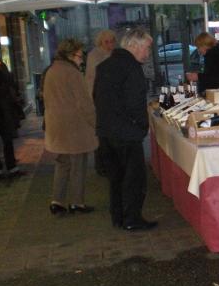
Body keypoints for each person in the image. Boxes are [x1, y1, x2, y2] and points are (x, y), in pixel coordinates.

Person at [94, 27, 156, 231]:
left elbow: (97, 98)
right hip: (127, 133)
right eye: (146, 48)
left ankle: (118, 216)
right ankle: (132, 219)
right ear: (134, 46)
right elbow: (135, 103)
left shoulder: (104, 66)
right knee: (133, 178)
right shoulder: (132, 68)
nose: (148, 53)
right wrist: (141, 126)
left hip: (106, 131)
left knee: (116, 178)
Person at [43, 39, 97, 214]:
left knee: (62, 163)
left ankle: (56, 201)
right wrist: (96, 123)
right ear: (70, 55)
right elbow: (84, 103)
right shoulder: (73, 74)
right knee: (78, 164)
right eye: (80, 55)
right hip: (74, 127)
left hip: (56, 126)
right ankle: (77, 202)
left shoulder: (51, 71)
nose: (82, 59)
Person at [84, 29, 117, 176]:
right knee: (101, 133)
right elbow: (92, 77)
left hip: (112, 99)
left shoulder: (114, 55)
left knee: (111, 133)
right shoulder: (94, 55)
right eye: (107, 42)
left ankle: (111, 162)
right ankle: (101, 165)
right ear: (100, 42)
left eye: (112, 41)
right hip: (98, 99)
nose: (110, 44)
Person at [0, 56, 23, 178]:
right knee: (7, 139)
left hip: (4, 110)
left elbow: (9, 84)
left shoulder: (1, 66)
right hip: (3, 109)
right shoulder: (1, 67)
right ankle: (7, 168)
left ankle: (11, 167)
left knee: (7, 140)